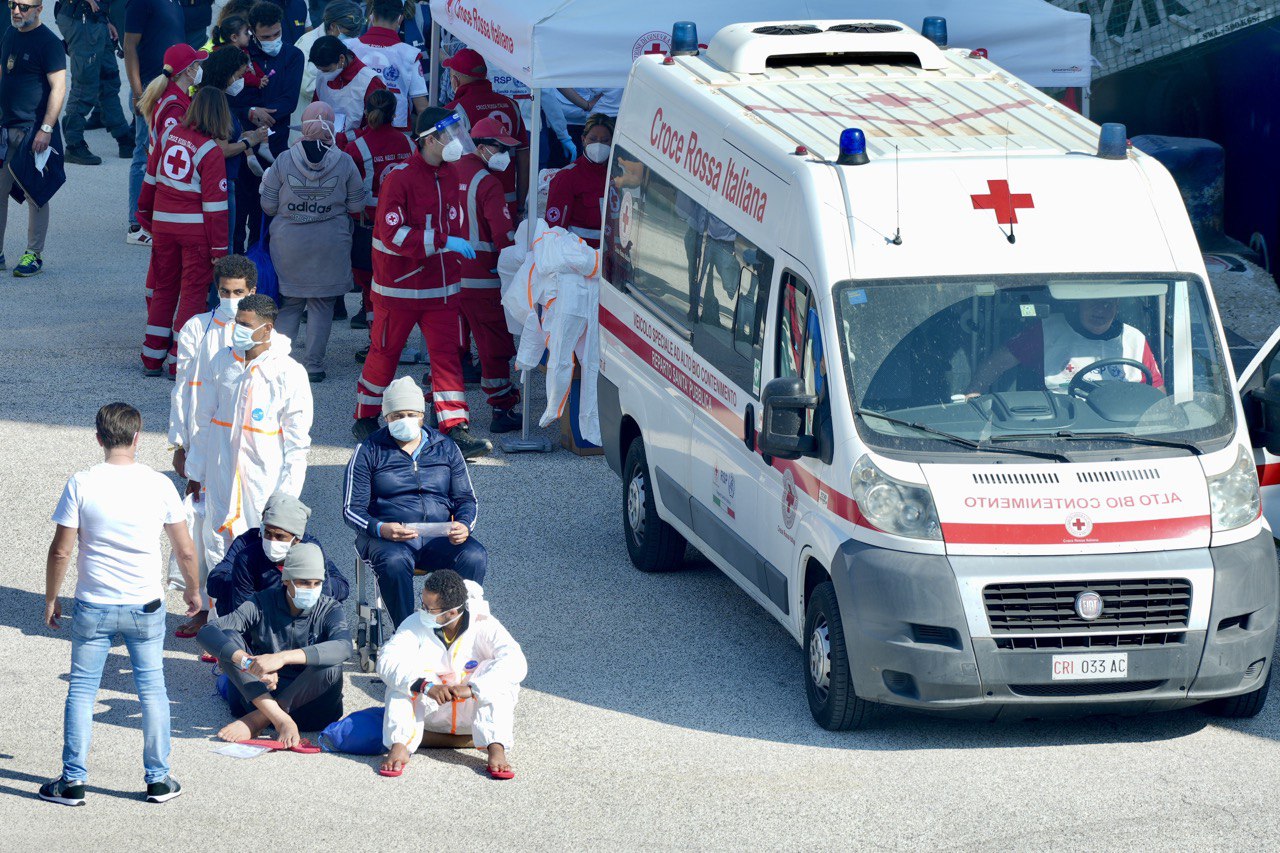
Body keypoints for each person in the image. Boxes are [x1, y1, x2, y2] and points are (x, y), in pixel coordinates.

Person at [41, 403, 201, 807]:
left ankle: (73, 781)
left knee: (81, 690)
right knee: (152, 690)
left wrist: (51, 597)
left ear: (98, 438)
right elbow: (184, 549)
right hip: (145, 605)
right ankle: (158, 779)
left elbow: (61, 551)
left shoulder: (82, 483)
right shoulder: (158, 485)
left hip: (93, 605)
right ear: (136, 437)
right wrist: (193, 592)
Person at [352, 108, 491, 457]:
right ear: (430, 139)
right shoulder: (399, 178)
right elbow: (391, 232)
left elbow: (451, 224)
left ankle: (455, 426)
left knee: (446, 358)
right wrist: (444, 242)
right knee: (385, 352)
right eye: (449, 134)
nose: (457, 140)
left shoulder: (450, 174)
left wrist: (452, 252)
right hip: (398, 288)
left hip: (441, 288)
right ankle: (366, 415)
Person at [185, 294, 313, 582]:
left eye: (245, 325)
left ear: (267, 329)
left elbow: (297, 443)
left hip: (262, 483)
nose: (237, 330)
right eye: (236, 323)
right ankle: (220, 619)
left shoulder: (289, 373)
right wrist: (196, 471)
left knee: (262, 552)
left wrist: (286, 497)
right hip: (221, 478)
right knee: (216, 544)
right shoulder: (221, 362)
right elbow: (203, 420)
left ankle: (259, 620)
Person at [343, 376, 488, 629]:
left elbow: (466, 499)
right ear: (386, 418)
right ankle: (407, 631)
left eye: (411, 414)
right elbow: (351, 509)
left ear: (422, 416)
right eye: (397, 416)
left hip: (437, 535)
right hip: (388, 538)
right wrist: (380, 528)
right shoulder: (368, 450)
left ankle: (456, 627)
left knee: (474, 555)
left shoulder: (446, 446)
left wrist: (464, 525)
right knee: (394, 563)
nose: (404, 421)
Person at [198, 543, 351, 745]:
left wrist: (281, 658)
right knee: (228, 640)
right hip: (258, 694)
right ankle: (278, 718)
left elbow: (344, 646)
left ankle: (260, 720)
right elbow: (208, 631)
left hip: (311, 704)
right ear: (286, 580)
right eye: (304, 583)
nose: (312, 589)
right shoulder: (261, 602)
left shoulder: (329, 608)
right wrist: (249, 663)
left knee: (332, 663)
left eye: (317, 583)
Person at [378, 569, 525, 779]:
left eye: (430, 609)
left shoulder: (485, 624)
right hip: (432, 714)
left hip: (473, 715)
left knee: (498, 672)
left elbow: (516, 662)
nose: (423, 612)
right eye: (423, 605)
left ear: (453, 612)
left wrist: (473, 689)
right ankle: (400, 744)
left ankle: (496, 747)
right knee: (404, 675)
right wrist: (425, 686)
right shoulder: (414, 623)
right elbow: (387, 660)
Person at [260, 100, 365, 382]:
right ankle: (314, 366)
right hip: (330, 245)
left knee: (290, 303)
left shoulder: (283, 160)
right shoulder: (344, 162)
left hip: (288, 245)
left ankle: (278, 363)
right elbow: (357, 205)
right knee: (322, 305)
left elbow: (269, 206)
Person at [137, 86, 232, 378]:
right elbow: (215, 207)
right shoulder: (210, 151)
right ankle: (180, 360)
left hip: (164, 227)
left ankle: (151, 356)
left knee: (164, 288)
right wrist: (219, 250)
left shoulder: (168, 135)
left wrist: (144, 215)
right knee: (192, 293)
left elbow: (150, 179)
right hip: (195, 234)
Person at [448, 116, 520, 432]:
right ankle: (501, 409)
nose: (506, 153)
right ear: (482, 147)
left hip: (447, 276)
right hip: (482, 277)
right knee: (494, 344)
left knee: (450, 344)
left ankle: (443, 408)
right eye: (501, 147)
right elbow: (503, 236)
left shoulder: (447, 173)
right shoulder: (487, 183)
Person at [967, 297, 1166, 396]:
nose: (1100, 310)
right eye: (1093, 302)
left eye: (1108, 303)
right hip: (1056, 429)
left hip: (1120, 431)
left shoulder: (1134, 339)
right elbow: (997, 363)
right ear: (1079, 302)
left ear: (1118, 305)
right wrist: (973, 394)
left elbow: (1158, 391)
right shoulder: (1047, 331)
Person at [228, 0, 303, 252]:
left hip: (275, 149)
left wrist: (260, 113)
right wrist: (251, 111)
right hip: (242, 148)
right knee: (237, 221)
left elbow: (289, 101)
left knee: (265, 222)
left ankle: (262, 276)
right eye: (265, 36)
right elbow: (230, 99)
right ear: (252, 32)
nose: (273, 39)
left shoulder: (293, 55)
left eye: (277, 34)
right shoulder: (242, 55)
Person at [0, 0, 67, 278]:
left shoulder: (49, 43)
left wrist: (47, 129)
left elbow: (59, 87)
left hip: (34, 131)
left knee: (35, 194)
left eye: (24, 7)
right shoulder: (9, 33)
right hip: (6, 127)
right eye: (13, 4)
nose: (17, 11)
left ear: (40, 9)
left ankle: (33, 254)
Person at [206, 492, 348, 616]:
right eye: (267, 533)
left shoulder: (310, 549)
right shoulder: (247, 544)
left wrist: (297, 590)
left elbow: (340, 587)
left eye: (280, 537)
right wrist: (246, 582)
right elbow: (214, 581)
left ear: (297, 538)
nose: (271, 541)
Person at [344, 87, 413, 337]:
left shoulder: (356, 147)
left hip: (367, 227)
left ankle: (378, 339)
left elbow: (349, 191)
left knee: (370, 288)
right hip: (404, 227)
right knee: (397, 283)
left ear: (366, 112)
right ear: (394, 113)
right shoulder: (408, 142)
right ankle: (394, 336)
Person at [124, 0, 185, 246]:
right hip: (150, 90)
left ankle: (158, 218)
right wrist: (139, 94)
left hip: (172, 90)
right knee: (144, 155)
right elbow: (129, 47)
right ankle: (136, 225)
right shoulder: (140, 2)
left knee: (165, 155)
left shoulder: (175, 2)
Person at [197, 44, 269, 250]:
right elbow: (220, 150)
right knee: (224, 245)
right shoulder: (217, 104)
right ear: (226, 74)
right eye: (238, 76)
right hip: (223, 181)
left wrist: (242, 137)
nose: (240, 82)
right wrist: (250, 141)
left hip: (216, 180)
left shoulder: (208, 98)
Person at [444, 48, 527, 221]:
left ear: (455, 80)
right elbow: (524, 157)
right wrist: (520, 203)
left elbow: (448, 162)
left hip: (470, 204)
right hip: (508, 201)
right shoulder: (511, 105)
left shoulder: (452, 111)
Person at [58, 0, 135, 165]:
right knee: (85, 85)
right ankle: (73, 144)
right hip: (80, 18)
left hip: (96, 19)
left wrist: (105, 20)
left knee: (109, 80)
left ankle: (124, 138)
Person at [345, 0, 426, 133]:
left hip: (353, 131)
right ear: (400, 18)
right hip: (397, 134)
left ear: (371, 16)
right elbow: (421, 107)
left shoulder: (348, 47)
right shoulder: (410, 54)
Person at [546, 112, 613, 249]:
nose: (598, 145)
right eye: (593, 139)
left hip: (612, 257)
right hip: (578, 257)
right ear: (583, 140)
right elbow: (554, 231)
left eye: (605, 140)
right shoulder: (567, 177)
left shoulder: (619, 175)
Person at [291, 0, 362, 129]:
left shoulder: (348, 43)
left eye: (354, 35)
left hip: (339, 121)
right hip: (311, 121)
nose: (351, 39)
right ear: (332, 27)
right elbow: (308, 88)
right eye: (348, 34)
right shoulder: (306, 46)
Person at [308, 35, 385, 145]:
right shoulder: (323, 74)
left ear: (341, 59)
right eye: (320, 70)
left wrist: (342, 138)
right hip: (326, 143)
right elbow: (316, 107)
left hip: (357, 146)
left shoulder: (369, 81)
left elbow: (377, 125)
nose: (324, 75)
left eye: (327, 70)